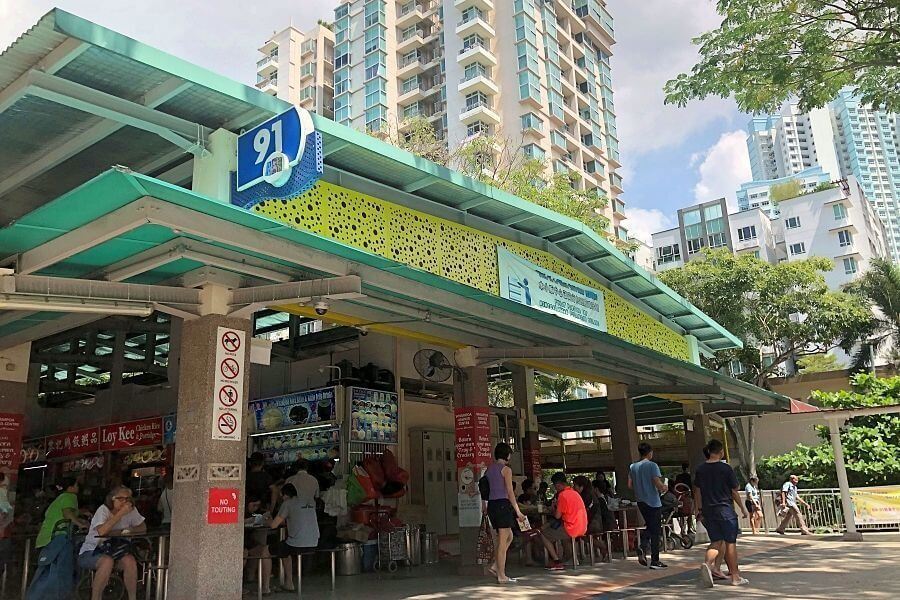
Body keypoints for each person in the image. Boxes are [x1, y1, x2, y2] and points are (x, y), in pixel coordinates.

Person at [694, 439, 749, 588]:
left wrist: (699, 509)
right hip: (725, 510)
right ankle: (735, 576)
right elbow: (734, 490)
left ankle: (707, 564)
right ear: (721, 452)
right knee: (730, 543)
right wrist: (743, 508)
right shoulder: (726, 469)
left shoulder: (700, 469)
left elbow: (697, 491)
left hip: (708, 511)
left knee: (716, 541)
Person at [79, 485, 146, 600]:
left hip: (117, 551)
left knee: (130, 560)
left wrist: (130, 530)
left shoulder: (131, 510)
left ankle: (132, 598)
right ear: (112, 499)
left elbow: (143, 528)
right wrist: (120, 514)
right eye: (121, 499)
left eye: (128, 499)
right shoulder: (103, 510)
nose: (125, 502)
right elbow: (102, 531)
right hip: (93, 551)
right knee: (107, 561)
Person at [483, 442, 525, 584]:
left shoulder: (489, 469)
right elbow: (510, 492)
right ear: (507, 455)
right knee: (502, 542)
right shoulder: (506, 470)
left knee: (509, 537)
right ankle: (501, 575)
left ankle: (496, 566)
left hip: (492, 506)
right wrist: (518, 511)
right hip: (502, 504)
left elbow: (485, 490)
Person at [269, 483, 318, 592]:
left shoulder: (287, 503)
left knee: (271, 550)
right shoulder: (309, 502)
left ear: (285, 495)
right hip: (314, 542)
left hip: (297, 544)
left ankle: (288, 582)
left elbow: (273, 525)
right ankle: (288, 582)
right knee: (285, 546)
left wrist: (267, 519)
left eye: (281, 496)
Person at [628, 442, 669, 569]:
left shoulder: (633, 467)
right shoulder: (652, 465)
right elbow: (657, 482)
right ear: (650, 452)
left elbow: (629, 485)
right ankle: (654, 559)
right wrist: (663, 487)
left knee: (651, 526)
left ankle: (643, 546)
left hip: (640, 501)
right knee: (655, 530)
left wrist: (640, 487)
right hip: (653, 501)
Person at [537, 472, 587, 571]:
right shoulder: (574, 493)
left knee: (543, 534)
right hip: (582, 526)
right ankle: (567, 558)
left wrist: (553, 508)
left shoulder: (563, 495)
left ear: (558, 484)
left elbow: (557, 515)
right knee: (558, 531)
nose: (555, 488)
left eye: (555, 486)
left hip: (571, 528)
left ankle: (556, 561)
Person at [35, 477, 88, 549]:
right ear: (70, 487)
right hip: (54, 539)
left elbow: (66, 515)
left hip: (45, 539)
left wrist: (81, 520)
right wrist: (81, 525)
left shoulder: (61, 498)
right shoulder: (70, 496)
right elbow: (67, 514)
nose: (78, 487)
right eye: (76, 485)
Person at [574, 476, 610, 562]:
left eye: (575, 485)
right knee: (583, 536)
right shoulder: (589, 494)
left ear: (581, 486)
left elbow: (586, 510)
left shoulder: (586, 496)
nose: (573, 487)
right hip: (594, 521)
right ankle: (602, 547)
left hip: (592, 522)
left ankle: (602, 546)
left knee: (582, 535)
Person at [243, 495, 273, 595]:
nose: (256, 507)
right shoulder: (238, 510)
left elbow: (270, 523)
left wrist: (266, 518)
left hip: (250, 541)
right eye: (253, 505)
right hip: (238, 542)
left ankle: (266, 587)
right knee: (244, 552)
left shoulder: (257, 513)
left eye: (258, 505)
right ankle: (238, 585)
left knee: (265, 551)